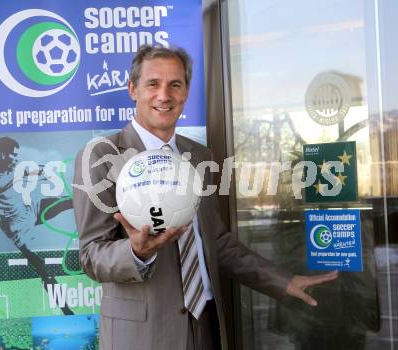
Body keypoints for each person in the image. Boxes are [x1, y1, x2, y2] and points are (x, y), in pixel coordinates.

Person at [72, 45, 338, 350]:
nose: (164, 95)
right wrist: (136, 252)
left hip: (207, 325)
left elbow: (216, 242)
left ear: (186, 93)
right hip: (143, 336)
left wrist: (282, 281)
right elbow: (91, 255)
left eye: (175, 84)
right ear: (133, 89)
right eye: (153, 84)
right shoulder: (102, 157)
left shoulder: (199, 156)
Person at [0, 136, 74, 315]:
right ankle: (66, 310)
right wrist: (22, 172)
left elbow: (27, 173)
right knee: (45, 269)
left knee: (69, 201)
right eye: (13, 156)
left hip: (31, 210)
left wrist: (44, 171)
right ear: (2, 155)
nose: (15, 159)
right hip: (18, 229)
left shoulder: (11, 169)